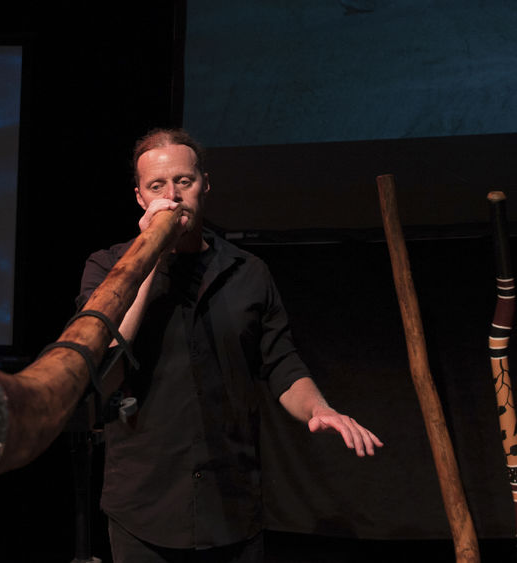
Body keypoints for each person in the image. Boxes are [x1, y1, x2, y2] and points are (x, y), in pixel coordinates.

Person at [75, 128, 383, 562]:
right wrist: (147, 254)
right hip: (144, 510)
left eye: (183, 181)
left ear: (204, 185)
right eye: (157, 186)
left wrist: (319, 409)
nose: (173, 195)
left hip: (232, 507)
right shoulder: (107, 266)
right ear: (140, 198)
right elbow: (106, 344)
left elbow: (281, 363)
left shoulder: (248, 272)